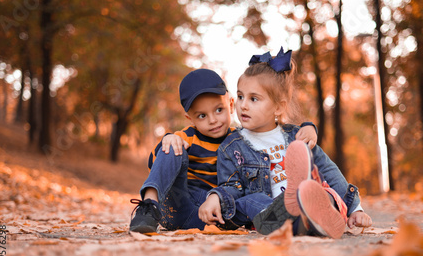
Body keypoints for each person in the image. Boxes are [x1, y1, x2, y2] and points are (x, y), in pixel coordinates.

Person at [198, 48, 372, 238]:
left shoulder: (297, 136)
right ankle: (296, 216)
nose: (243, 105)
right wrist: (216, 197)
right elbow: (232, 186)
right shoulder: (231, 147)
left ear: (278, 107)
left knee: (324, 193)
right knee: (251, 200)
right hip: (269, 210)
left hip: (308, 202)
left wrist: (356, 208)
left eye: (254, 99)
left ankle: (314, 214)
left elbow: (329, 169)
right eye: (240, 96)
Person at [129, 68, 318, 233]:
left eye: (218, 110)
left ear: (230, 104)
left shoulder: (242, 139)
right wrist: (169, 139)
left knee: (254, 197)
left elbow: (270, 130)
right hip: (181, 207)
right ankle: (149, 206)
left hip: (221, 213)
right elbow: (156, 163)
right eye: (202, 115)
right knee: (172, 147)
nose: (213, 120)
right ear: (190, 118)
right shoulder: (186, 137)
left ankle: (289, 220)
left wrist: (308, 127)